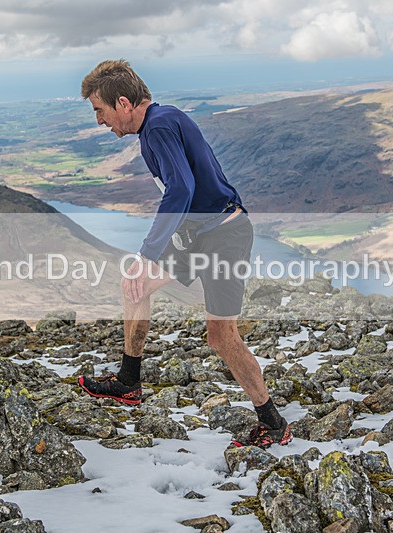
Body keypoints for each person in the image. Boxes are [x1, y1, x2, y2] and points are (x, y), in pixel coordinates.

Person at [76, 59, 291, 448]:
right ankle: (128, 380)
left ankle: (273, 424)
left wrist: (147, 254)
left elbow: (181, 190)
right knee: (135, 287)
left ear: (123, 103)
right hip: (199, 236)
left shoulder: (157, 127)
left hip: (225, 236)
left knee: (221, 336)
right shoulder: (158, 123)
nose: (99, 121)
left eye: (100, 110)